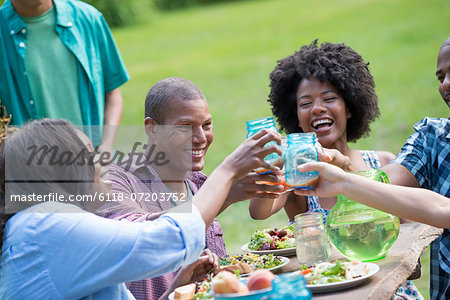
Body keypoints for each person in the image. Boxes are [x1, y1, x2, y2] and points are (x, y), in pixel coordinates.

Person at [0, 118, 282, 299]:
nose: (101, 158)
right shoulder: (44, 225)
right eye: (88, 153)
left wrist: (178, 285)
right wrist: (228, 170)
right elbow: (169, 237)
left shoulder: (48, 228)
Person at [96, 77, 284, 299]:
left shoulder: (198, 185)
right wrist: (226, 174)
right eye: (185, 127)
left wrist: (228, 194)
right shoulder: (114, 181)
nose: (201, 138)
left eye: (206, 125)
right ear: (152, 128)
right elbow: (140, 235)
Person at [297, 37, 450, 300]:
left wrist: (345, 181)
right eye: (440, 77)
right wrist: (344, 172)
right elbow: (382, 186)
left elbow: (441, 210)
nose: (445, 84)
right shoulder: (431, 137)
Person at [249, 40, 395, 222]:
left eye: (329, 98)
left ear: (349, 107)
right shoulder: (298, 175)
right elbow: (259, 212)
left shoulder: (384, 163)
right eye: (305, 103)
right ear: (297, 119)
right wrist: (271, 164)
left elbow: (411, 230)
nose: (317, 108)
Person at [0, 0, 129, 150]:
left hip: (94, 164)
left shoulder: (88, 18)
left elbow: (112, 96)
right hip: (30, 168)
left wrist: (105, 147)